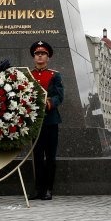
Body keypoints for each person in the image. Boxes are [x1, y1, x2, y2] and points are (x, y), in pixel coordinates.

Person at [29, 41, 63, 201]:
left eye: (43, 53)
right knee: (36, 156)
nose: (40, 56)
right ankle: (38, 189)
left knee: (50, 157)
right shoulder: (29, 75)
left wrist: (48, 103)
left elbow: (59, 96)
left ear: (48, 57)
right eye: (37, 53)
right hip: (34, 122)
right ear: (34, 57)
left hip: (50, 121)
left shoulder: (54, 75)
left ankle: (49, 189)